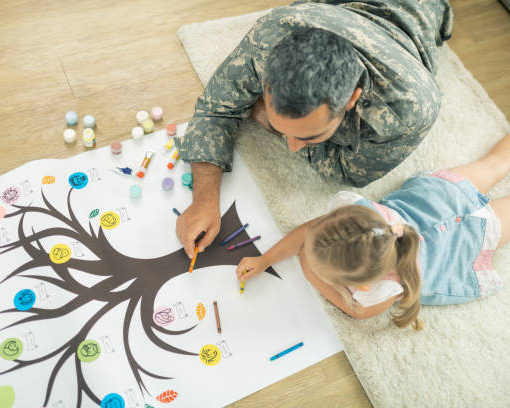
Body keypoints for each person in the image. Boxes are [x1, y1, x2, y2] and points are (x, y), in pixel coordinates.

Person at [175, 0, 454, 258]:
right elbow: (216, 107)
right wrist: (204, 199)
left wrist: (261, 115)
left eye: (309, 136)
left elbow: (348, 172)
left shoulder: (409, 110)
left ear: (352, 99)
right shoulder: (273, 34)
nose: (292, 146)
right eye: (279, 126)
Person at [235, 107, 510, 330]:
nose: (305, 248)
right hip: (440, 195)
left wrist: (308, 269)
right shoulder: (357, 214)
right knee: (498, 166)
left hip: (471, 239)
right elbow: (311, 231)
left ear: (364, 285)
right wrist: (266, 259)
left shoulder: (386, 289)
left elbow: (354, 310)